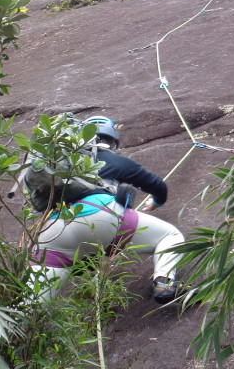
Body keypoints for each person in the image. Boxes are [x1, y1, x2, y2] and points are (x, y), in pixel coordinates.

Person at [23, 115, 184, 304]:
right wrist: (157, 202)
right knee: (171, 237)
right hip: (99, 215)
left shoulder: (53, 166)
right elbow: (157, 185)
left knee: (27, 308)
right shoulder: (105, 157)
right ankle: (164, 283)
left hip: (51, 233)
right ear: (112, 139)